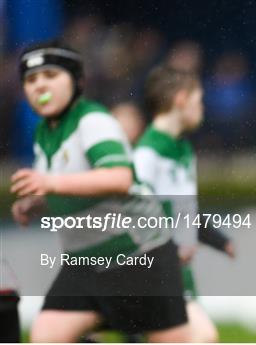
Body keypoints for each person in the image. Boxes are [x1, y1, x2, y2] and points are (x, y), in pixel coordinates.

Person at [11, 40, 191, 342]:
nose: (39, 86)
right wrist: (38, 202)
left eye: (51, 76)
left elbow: (119, 178)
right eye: (31, 80)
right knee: (45, 337)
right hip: (84, 263)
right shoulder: (44, 133)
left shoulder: (93, 120)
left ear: (78, 81)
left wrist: (50, 184)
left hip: (138, 256)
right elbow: (73, 185)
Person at [134, 65, 233, 342]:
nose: (202, 108)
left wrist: (218, 240)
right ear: (180, 100)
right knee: (203, 336)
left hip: (179, 272)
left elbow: (183, 209)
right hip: (155, 271)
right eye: (198, 101)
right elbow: (136, 214)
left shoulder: (183, 148)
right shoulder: (147, 152)